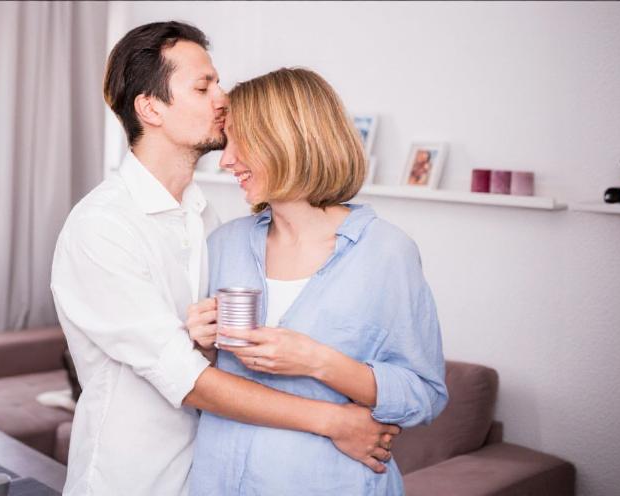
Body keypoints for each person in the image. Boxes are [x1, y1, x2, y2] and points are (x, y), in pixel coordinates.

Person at [50, 22, 397, 496]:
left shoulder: (209, 221)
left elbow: (224, 357)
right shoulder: (102, 227)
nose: (222, 97)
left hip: (212, 475)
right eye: (202, 86)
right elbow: (187, 380)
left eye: (218, 81)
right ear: (150, 108)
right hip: (132, 479)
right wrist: (334, 420)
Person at [185, 67, 449, 495]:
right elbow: (200, 379)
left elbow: (424, 395)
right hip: (217, 482)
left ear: (286, 138)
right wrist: (203, 344)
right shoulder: (223, 246)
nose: (226, 159)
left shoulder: (385, 252)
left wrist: (316, 360)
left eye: (239, 141)